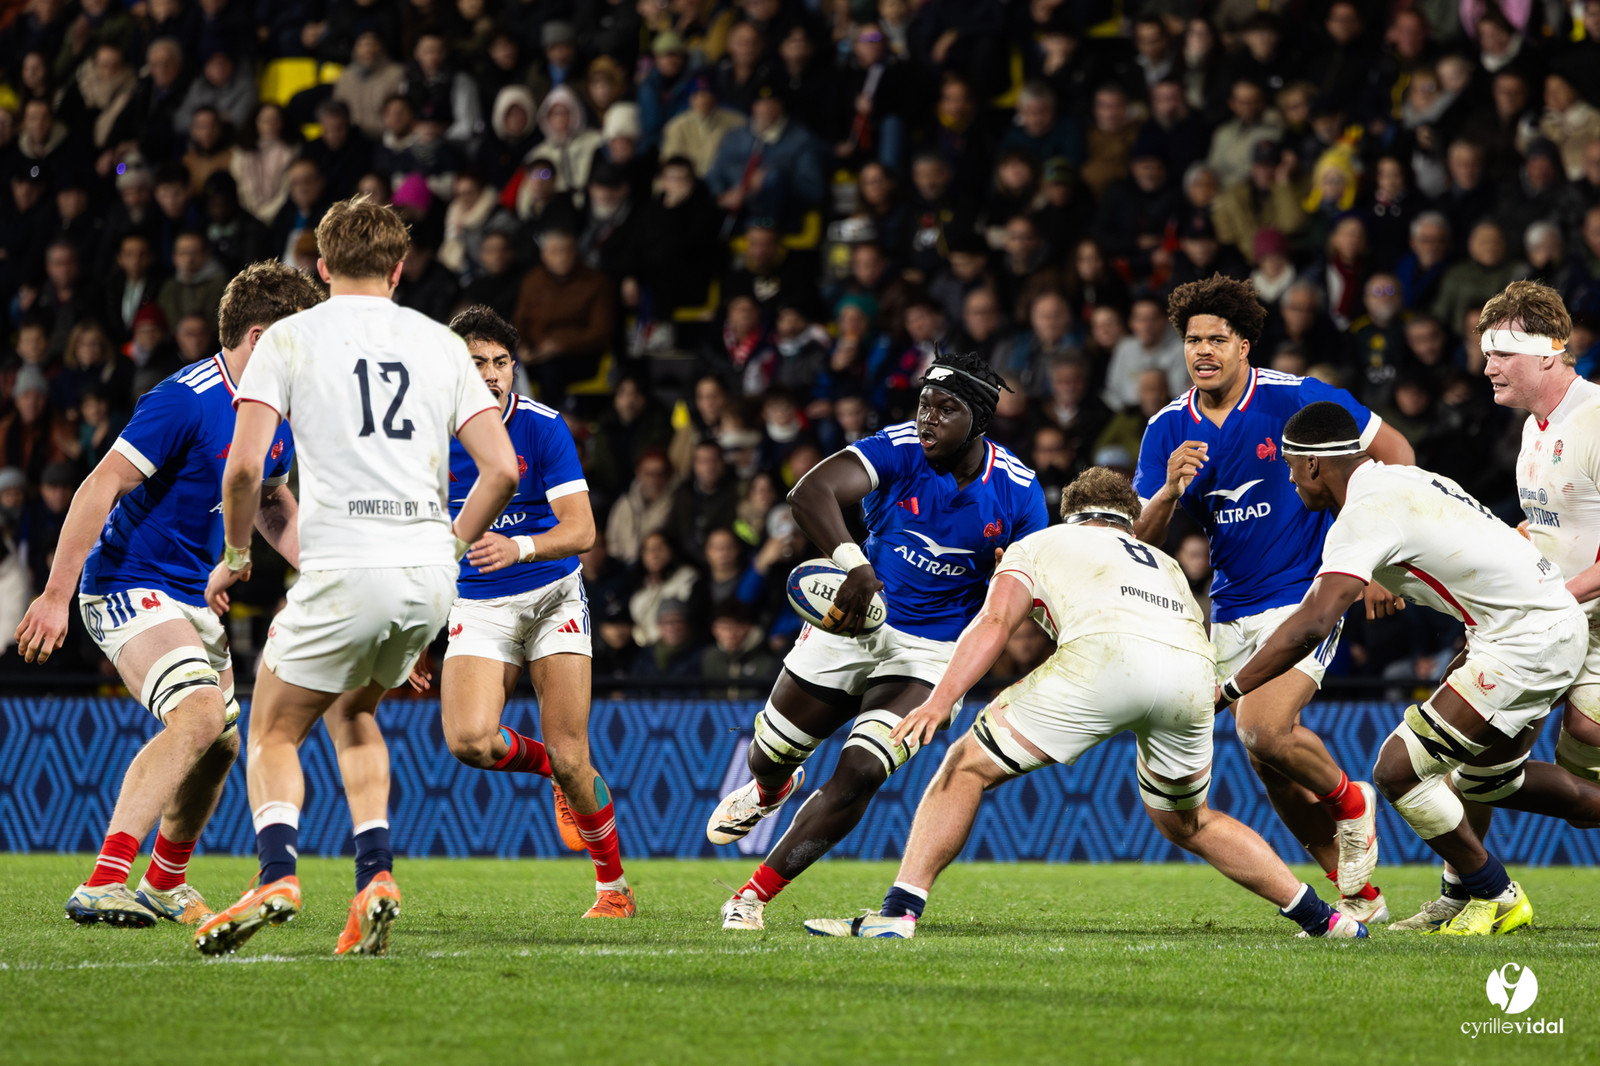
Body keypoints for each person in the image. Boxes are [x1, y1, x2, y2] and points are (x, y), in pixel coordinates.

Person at [805, 469, 1367, 940]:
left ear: (1070, 511)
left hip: (1104, 659)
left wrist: (940, 699)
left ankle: (898, 915)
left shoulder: (1042, 542)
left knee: (964, 768)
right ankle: (1326, 922)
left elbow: (997, 622)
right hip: (1193, 673)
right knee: (1189, 821)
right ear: (1129, 516)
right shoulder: (1164, 562)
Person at [194, 197, 519, 956]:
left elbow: (244, 468)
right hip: (426, 579)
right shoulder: (441, 345)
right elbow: (502, 467)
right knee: (353, 714)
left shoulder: (290, 338)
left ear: (320, 266)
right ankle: (375, 873)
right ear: (400, 269)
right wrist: (451, 545)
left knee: (274, 727)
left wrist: (239, 555)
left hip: (345, 567)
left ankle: (277, 873)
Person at [13, 261, 322, 928]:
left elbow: (270, 504)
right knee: (200, 715)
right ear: (261, 337)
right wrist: (55, 593)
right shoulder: (185, 398)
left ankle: (164, 881)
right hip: (128, 583)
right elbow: (100, 486)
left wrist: (326, 577)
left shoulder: (279, 414)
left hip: (194, 595)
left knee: (222, 743)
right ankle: (104, 879)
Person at [1218, 400, 1600, 935]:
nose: (1288, 478)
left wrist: (1230, 688)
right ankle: (1459, 893)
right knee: (1491, 782)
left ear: (1311, 464)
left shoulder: (1362, 519)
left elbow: (1313, 622)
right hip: (1541, 622)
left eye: (1288, 465)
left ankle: (1496, 893)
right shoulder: (1404, 479)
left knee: (1396, 770)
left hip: (1524, 639)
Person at [708, 351, 1049, 931]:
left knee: (862, 771)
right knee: (768, 754)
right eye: (924, 404)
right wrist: (853, 563)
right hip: (852, 622)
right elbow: (809, 493)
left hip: (932, 653)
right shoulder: (899, 447)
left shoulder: (1019, 491)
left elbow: (1032, 586)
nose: (928, 419)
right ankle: (770, 787)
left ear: (980, 421)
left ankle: (753, 894)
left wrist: (1008, 581)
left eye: (947, 409)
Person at [1133, 275, 1417, 924]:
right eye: (1192, 340)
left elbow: (1395, 451)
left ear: (1244, 346)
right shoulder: (1165, 429)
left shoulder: (1297, 398)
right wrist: (1170, 489)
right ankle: (1359, 897)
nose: (1203, 350)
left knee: (1261, 726)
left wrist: (1377, 555)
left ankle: (1352, 802)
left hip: (1306, 592)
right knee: (1271, 767)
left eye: (1217, 339)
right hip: (1228, 609)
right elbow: (1141, 543)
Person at [406, 306, 633, 918]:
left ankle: (613, 890)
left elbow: (583, 529)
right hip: (477, 605)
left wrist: (521, 546)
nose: (492, 374)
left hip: (552, 597)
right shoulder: (425, 436)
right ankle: (553, 774)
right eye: (477, 361)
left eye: (501, 362)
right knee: (469, 741)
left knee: (572, 751)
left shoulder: (542, 427)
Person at [1391, 280, 1600, 930]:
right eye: (1485, 352)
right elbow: (1544, 531)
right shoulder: (1535, 431)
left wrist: (1549, 603)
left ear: (1549, 353)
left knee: (1583, 746)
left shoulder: (1596, 420)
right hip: (1552, 623)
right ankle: (1471, 892)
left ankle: (1478, 892)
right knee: (1476, 750)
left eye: (1501, 353)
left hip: (1571, 618)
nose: (1486, 367)